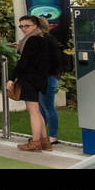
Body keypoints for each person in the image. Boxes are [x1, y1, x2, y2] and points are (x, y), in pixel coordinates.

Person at [12, 15, 50, 151]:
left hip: (30, 79)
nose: (23, 29)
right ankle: (45, 141)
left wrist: (12, 78)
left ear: (35, 26)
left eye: (26, 26)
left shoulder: (32, 40)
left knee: (33, 111)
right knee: (36, 111)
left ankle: (35, 142)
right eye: (21, 26)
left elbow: (24, 62)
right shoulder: (41, 38)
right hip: (39, 79)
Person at [35, 15, 62, 149]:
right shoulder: (41, 39)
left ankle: (52, 135)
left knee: (47, 106)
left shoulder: (47, 40)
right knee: (42, 106)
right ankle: (43, 134)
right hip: (44, 77)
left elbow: (54, 60)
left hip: (47, 77)